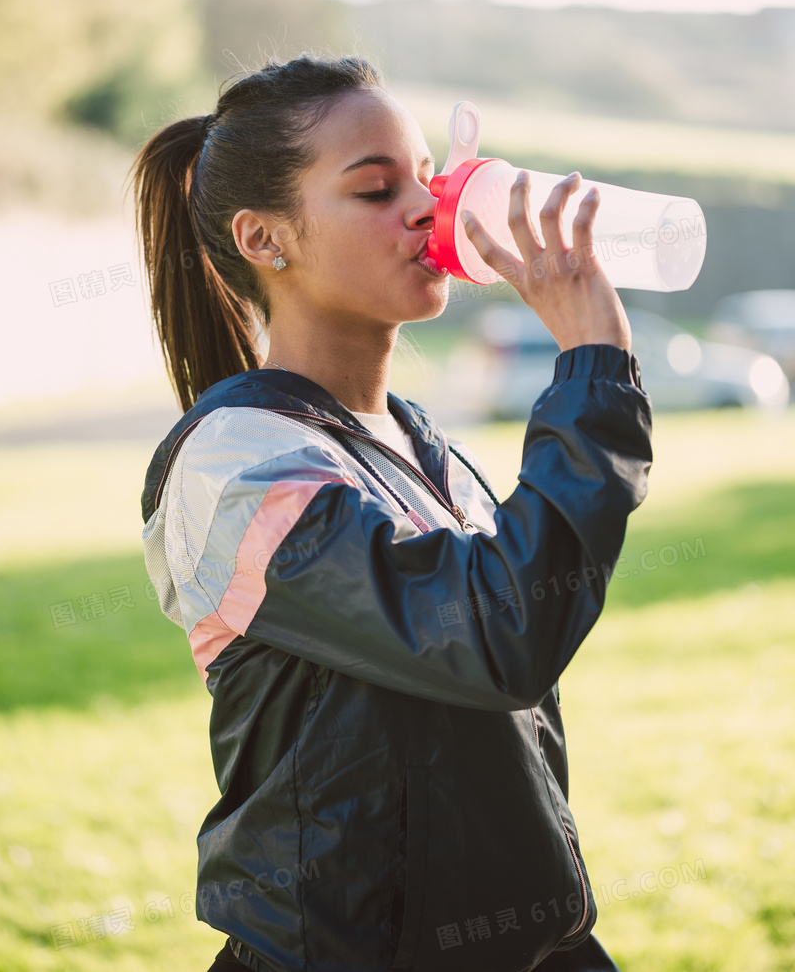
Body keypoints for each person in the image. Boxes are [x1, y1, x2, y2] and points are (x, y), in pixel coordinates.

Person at [132, 53, 652, 972]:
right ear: (264, 239)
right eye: (377, 191)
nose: (426, 207)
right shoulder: (235, 462)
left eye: (427, 177)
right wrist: (593, 366)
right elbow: (502, 638)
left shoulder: (420, 442)